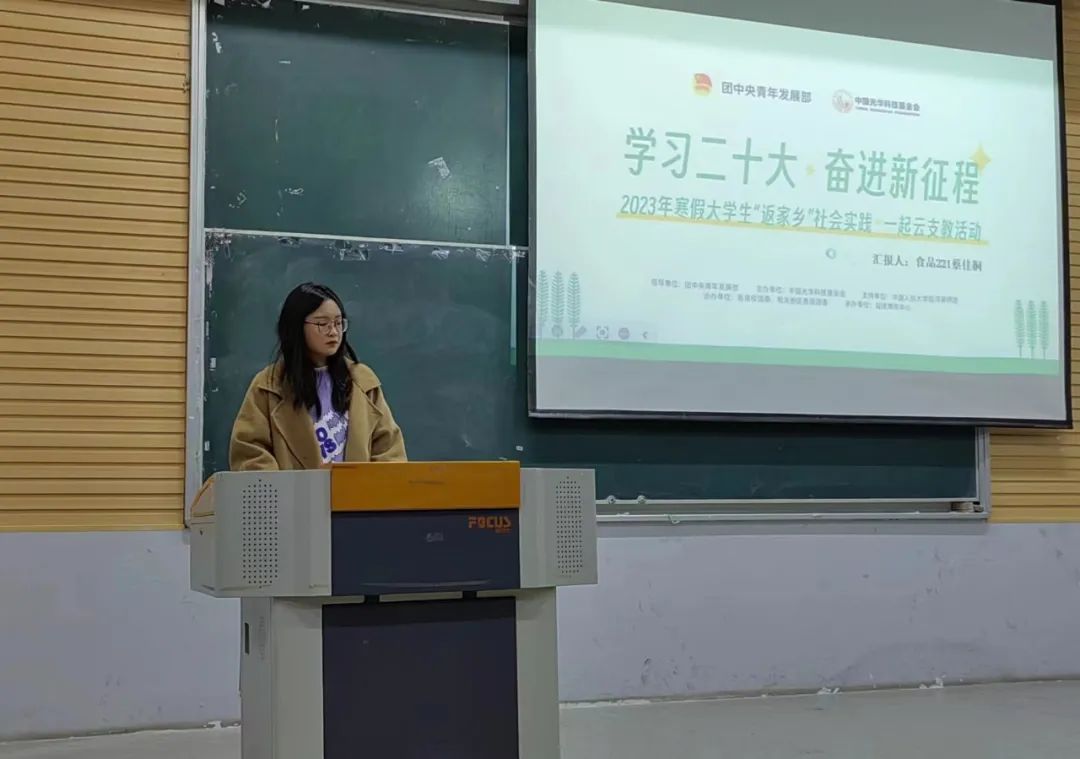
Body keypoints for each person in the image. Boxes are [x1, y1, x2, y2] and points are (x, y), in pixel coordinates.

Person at [230, 282, 406, 470]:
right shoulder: (269, 386)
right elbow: (250, 452)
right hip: (293, 489)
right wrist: (284, 487)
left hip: (356, 489)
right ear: (296, 326)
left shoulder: (362, 381)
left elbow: (389, 451)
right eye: (322, 324)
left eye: (338, 323)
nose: (333, 332)